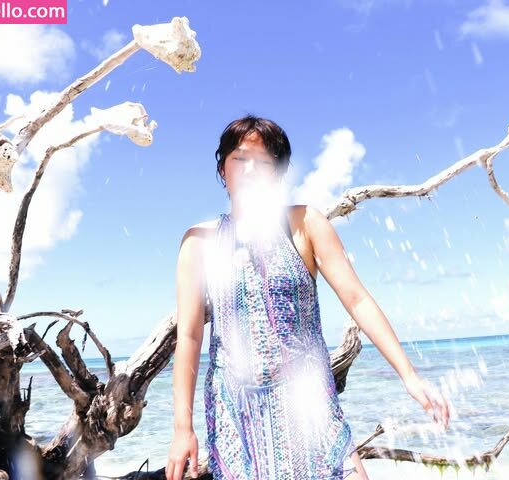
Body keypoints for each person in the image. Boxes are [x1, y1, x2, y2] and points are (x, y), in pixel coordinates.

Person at [166, 115, 450, 480]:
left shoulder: (304, 224)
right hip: (236, 411)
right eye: (240, 158)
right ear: (223, 168)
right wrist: (182, 428)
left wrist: (410, 376)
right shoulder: (198, 243)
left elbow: (357, 299)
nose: (250, 169)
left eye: (264, 161)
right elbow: (190, 336)